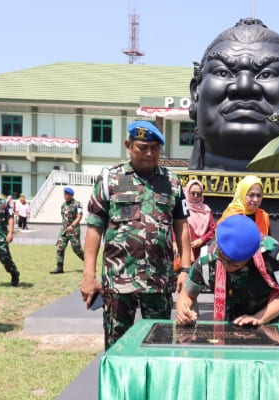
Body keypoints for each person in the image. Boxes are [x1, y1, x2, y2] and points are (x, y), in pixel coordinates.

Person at [80, 120, 192, 350]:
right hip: (118, 281)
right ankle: (119, 387)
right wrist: (88, 275)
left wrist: (186, 270)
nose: (149, 154)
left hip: (158, 281)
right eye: (142, 147)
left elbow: (182, 227)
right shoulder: (110, 179)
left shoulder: (172, 182)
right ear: (128, 145)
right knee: (117, 347)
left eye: (155, 148)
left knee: (159, 345)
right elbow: (94, 229)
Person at [188, 18, 279, 170]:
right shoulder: (175, 192)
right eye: (223, 73)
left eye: (267, 74)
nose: (244, 87)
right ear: (195, 93)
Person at [176, 214, 279, 326]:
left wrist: (259, 318)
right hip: (225, 325)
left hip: (267, 321)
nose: (227, 266)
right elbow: (187, 294)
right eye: (222, 259)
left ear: (250, 255)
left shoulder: (273, 255)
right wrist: (183, 311)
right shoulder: (208, 258)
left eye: (234, 263)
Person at [52, 187, 84, 274]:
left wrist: (72, 226)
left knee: (77, 250)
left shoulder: (78, 204)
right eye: (65, 194)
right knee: (60, 247)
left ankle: (88, 263)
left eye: (68, 194)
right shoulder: (63, 205)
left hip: (74, 231)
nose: (66, 196)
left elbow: (79, 216)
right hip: (64, 230)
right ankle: (59, 267)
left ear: (72, 195)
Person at [183, 179, 216, 260]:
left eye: (198, 194)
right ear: (187, 192)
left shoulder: (206, 210)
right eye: (192, 193)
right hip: (185, 250)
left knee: (204, 272)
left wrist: (202, 240)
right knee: (185, 272)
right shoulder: (182, 208)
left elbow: (213, 230)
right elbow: (175, 228)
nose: (195, 196)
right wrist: (174, 243)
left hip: (203, 250)